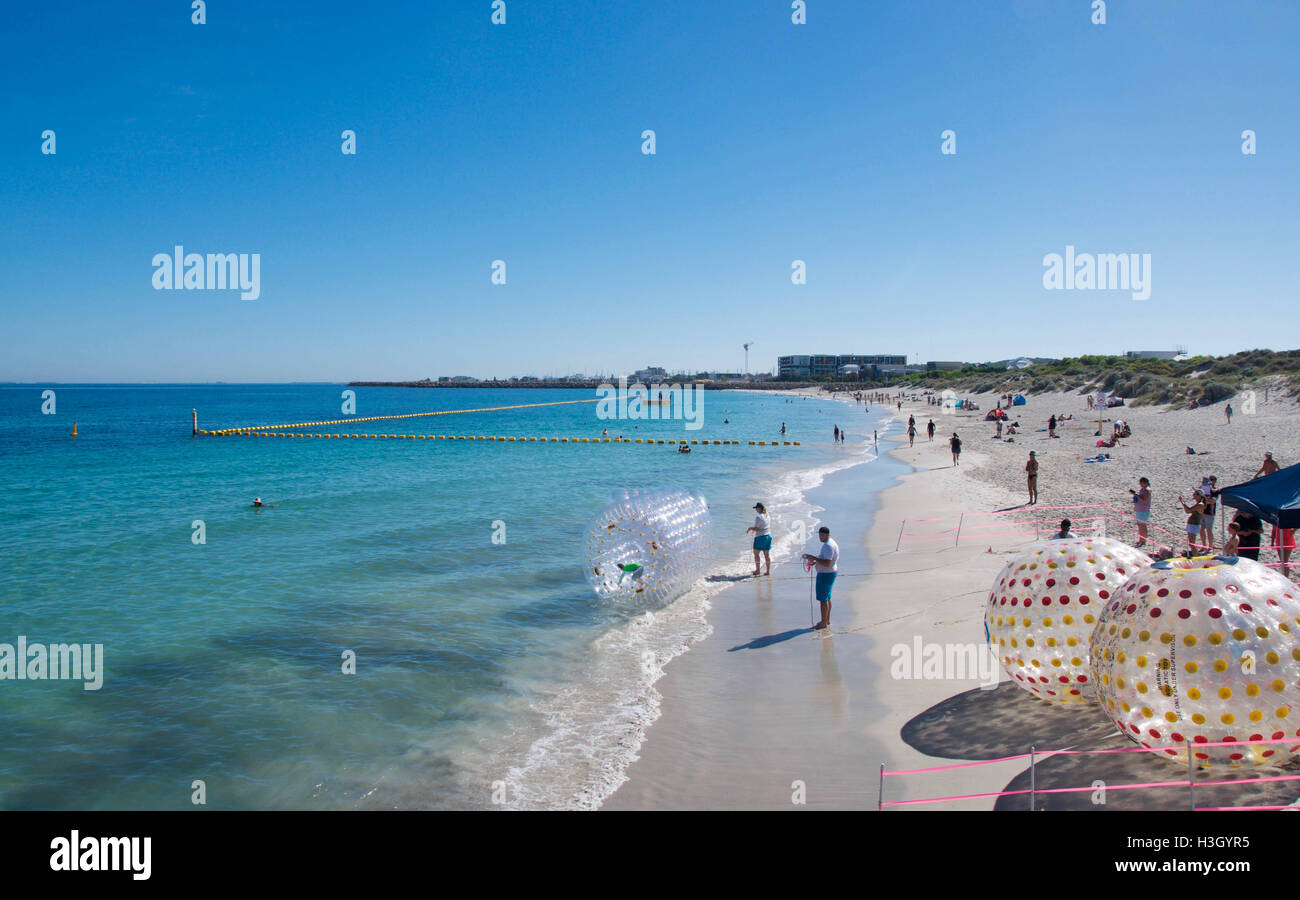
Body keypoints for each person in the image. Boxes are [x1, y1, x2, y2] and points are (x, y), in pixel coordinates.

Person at [802, 526, 839, 630]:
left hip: (826, 573)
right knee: (827, 597)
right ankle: (826, 620)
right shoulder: (830, 543)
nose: (820, 537)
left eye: (822, 535)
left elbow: (827, 563)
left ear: (827, 535)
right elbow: (825, 559)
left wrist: (814, 558)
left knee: (823, 600)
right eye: (819, 534)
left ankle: (823, 623)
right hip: (830, 572)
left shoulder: (828, 546)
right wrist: (815, 561)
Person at [747, 502, 772, 576]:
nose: (756, 510)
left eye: (756, 508)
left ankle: (758, 570)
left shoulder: (759, 517)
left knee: (756, 554)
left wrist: (750, 528)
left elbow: (757, 529)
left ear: (759, 508)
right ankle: (768, 571)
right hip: (768, 536)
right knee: (767, 555)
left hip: (761, 537)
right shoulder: (767, 515)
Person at [1129, 477, 1152, 547]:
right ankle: (1140, 540)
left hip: (1144, 510)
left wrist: (1135, 494)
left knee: (1143, 526)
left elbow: (1144, 500)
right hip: (1140, 510)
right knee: (1140, 525)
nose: (1140, 485)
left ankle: (1143, 541)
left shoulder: (1147, 490)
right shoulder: (1143, 489)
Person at [1199, 481, 1217, 551]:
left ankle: (1210, 546)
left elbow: (1213, 501)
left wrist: (1205, 499)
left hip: (1209, 513)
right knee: (1201, 529)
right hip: (1202, 511)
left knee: (1209, 529)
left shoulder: (1214, 491)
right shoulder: (1203, 489)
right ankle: (1203, 545)